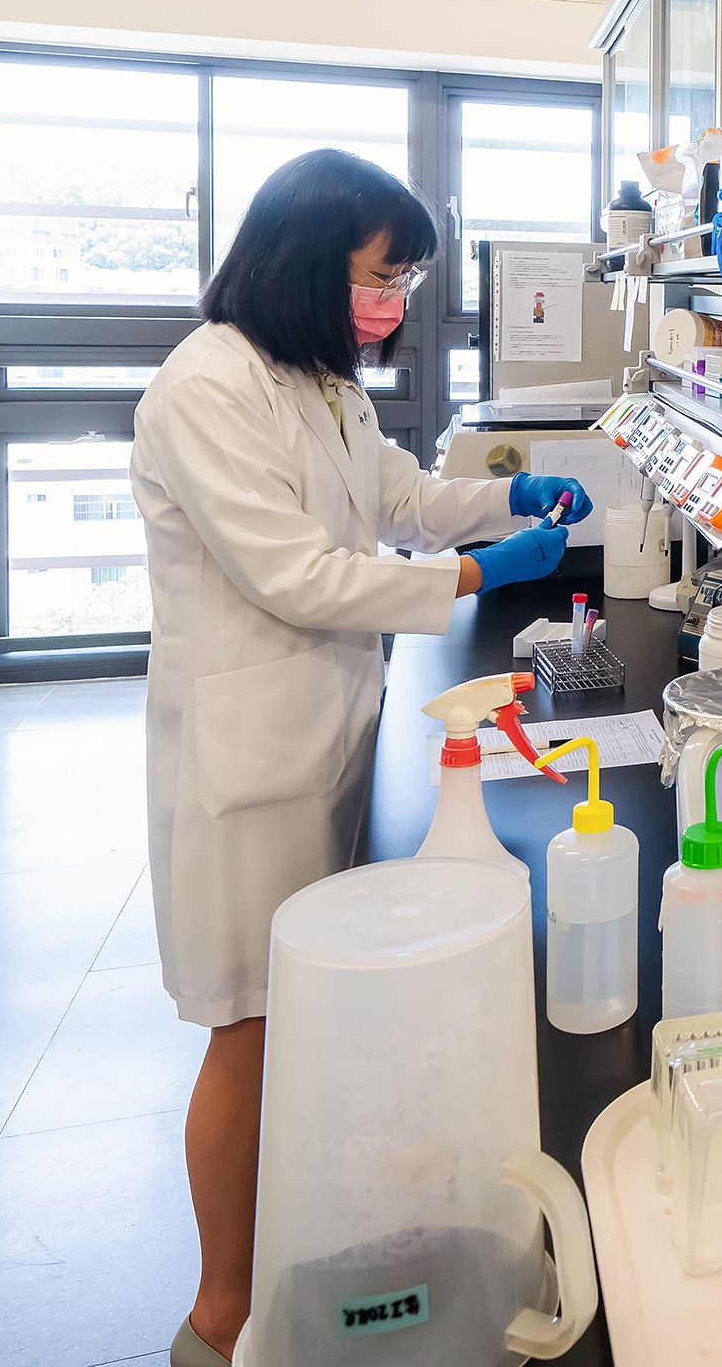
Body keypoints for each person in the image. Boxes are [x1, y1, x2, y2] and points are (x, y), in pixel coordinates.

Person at [129, 149, 589, 1367]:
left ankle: (307, 1245)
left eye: (404, 280)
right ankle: (217, 1314)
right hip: (242, 759)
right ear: (304, 259)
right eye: (383, 275)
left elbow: (401, 500)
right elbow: (296, 573)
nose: (393, 300)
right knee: (250, 1020)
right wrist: (478, 576)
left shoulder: (322, 379)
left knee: (309, 1008)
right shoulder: (205, 386)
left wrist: (503, 500)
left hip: (326, 725)